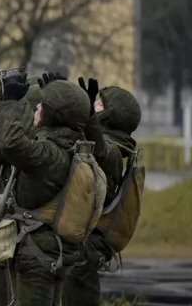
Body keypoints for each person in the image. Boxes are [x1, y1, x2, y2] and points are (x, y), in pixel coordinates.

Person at [0, 76, 92, 306]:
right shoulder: (71, 146)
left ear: (54, 114)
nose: (36, 107)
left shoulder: (49, 155)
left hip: (37, 254)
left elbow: (11, 144)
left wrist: (9, 103)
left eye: (42, 105)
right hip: (50, 251)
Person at [62, 85, 142, 306]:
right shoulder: (99, 142)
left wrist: (88, 118)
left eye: (99, 103)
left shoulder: (114, 152)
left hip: (86, 248)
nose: (94, 106)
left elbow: (101, 151)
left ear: (111, 115)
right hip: (81, 245)